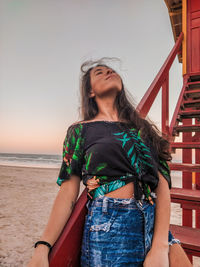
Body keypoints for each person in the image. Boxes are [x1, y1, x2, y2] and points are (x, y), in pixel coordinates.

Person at [27, 58, 192, 267]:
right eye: (99, 72)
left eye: (110, 70)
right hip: (110, 228)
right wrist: (43, 246)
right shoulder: (79, 131)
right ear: (90, 92)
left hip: (152, 220)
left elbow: (162, 184)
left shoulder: (142, 129)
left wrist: (159, 245)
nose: (108, 72)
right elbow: (68, 192)